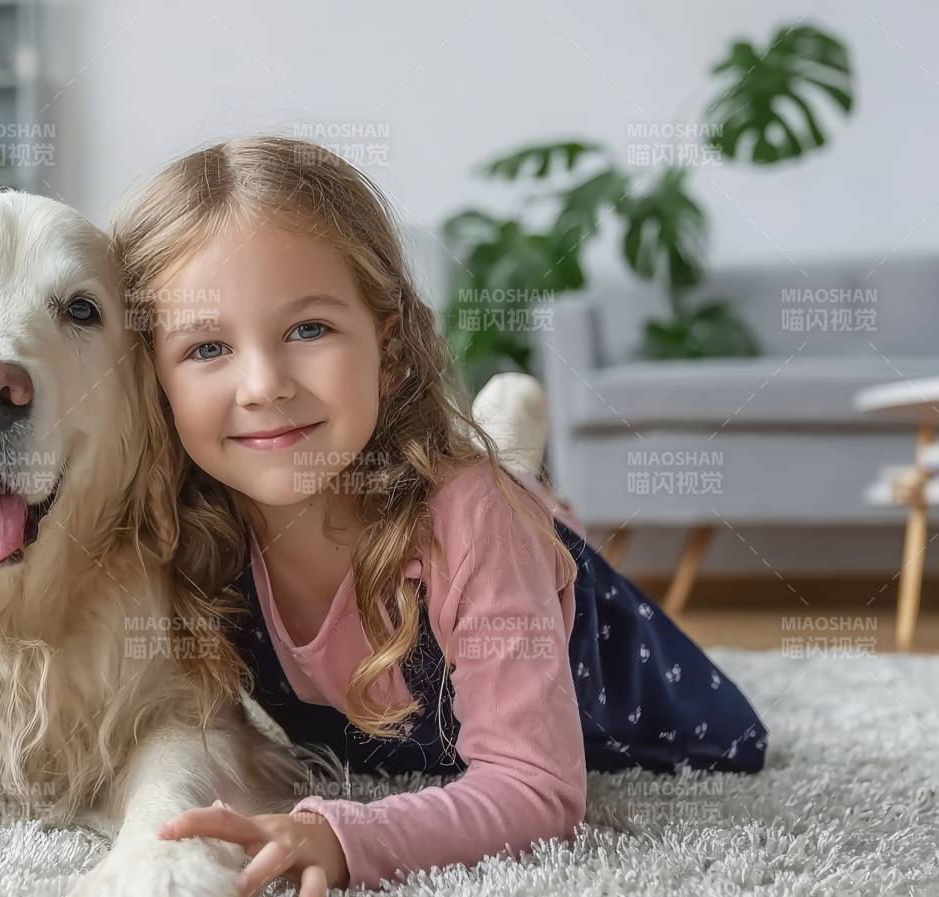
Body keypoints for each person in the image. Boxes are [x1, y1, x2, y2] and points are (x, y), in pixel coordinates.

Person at [110, 135, 767, 896]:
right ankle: (512, 440)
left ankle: (516, 465)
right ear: (152, 378)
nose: (263, 385)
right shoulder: (195, 524)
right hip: (460, 511)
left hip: (554, 603)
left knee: (499, 506)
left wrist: (345, 833)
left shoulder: (474, 523)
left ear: (387, 347)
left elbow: (536, 788)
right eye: (207, 347)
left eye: (308, 329)